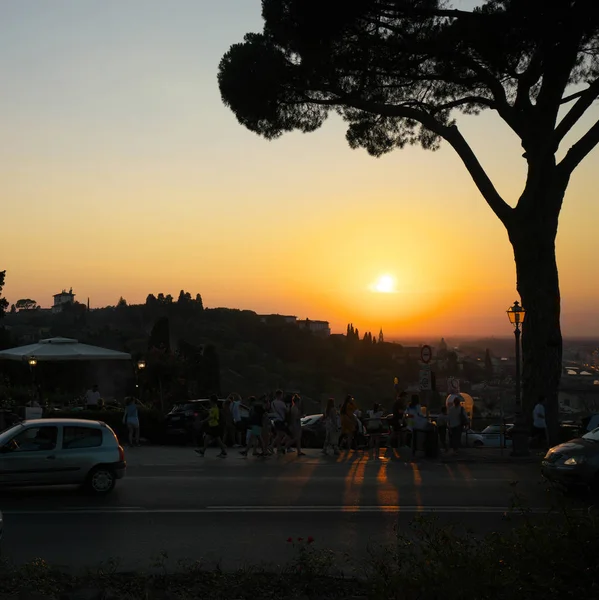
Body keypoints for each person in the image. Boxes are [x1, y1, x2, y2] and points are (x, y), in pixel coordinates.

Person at [271, 390, 291, 454]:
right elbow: (287, 411)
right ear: (280, 395)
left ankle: (278, 447)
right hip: (281, 420)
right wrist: (288, 406)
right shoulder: (281, 403)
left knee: (279, 434)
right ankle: (272, 446)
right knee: (281, 434)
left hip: (275, 420)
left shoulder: (273, 402)